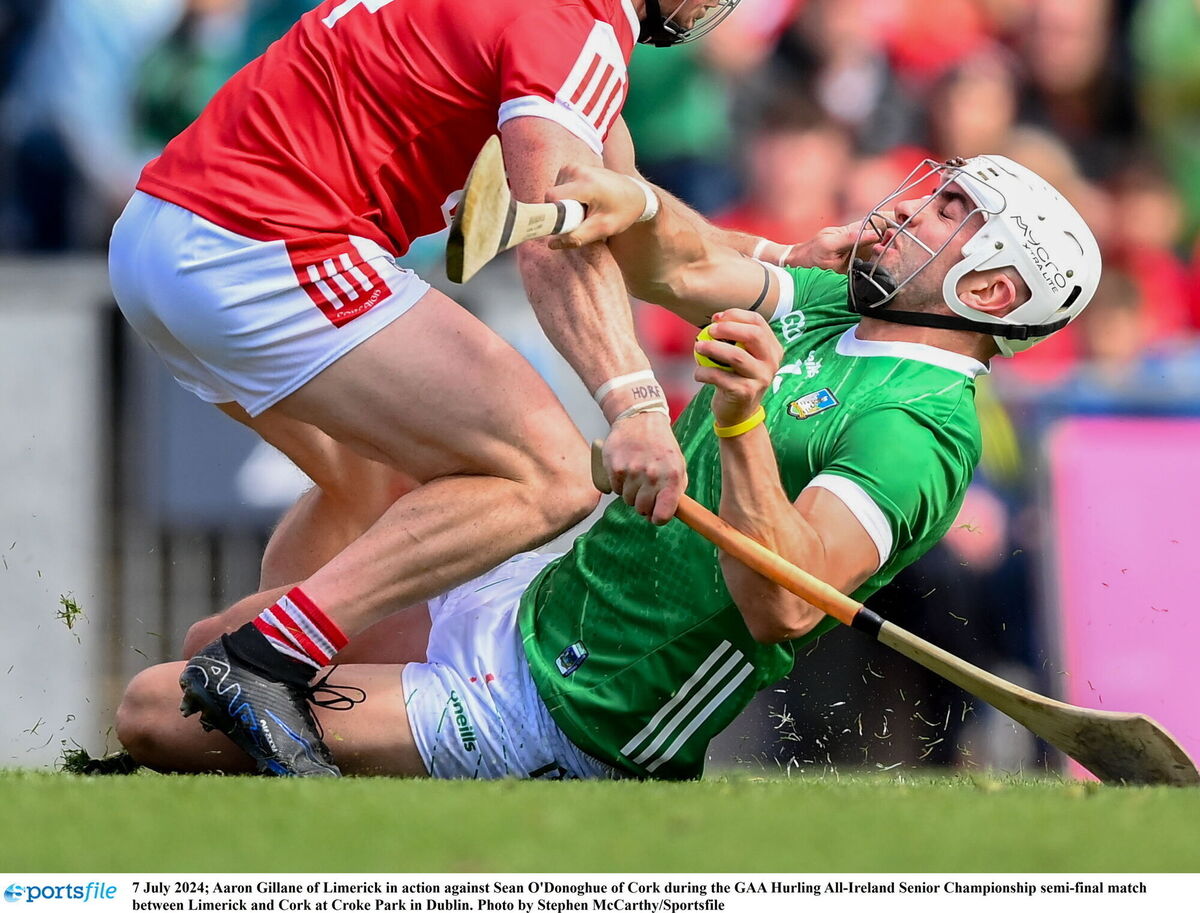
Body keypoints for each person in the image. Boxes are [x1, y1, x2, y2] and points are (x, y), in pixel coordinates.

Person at [105, 0, 790, 778]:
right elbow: (556, 232)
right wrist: (634, 405)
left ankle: (223, 694)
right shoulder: (577, 18)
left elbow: (632, 220)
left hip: (165, 230)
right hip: (263, 240)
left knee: (376, 489)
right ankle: (263, 662)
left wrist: (787, 264)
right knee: (549, 472)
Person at [115, 153, 1101, 780]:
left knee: (160, 708)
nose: (907, 208)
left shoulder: (920, 428)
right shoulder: (836, 302)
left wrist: (740, 421)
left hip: (576, 714)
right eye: (933, 190)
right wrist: (638, 199)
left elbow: (785, 605)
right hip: (533, 607)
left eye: (947, 211)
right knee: (218, 646)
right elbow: (680, 264)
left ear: (991, 289)